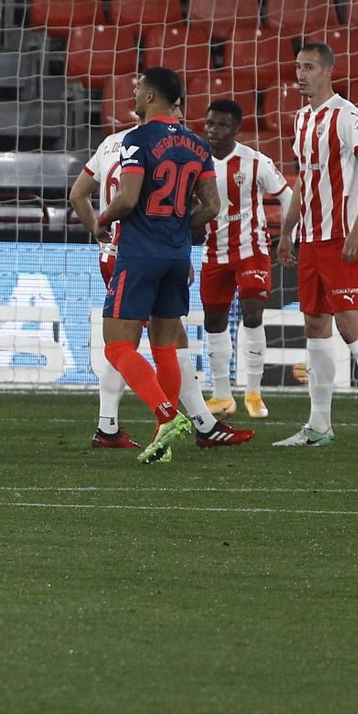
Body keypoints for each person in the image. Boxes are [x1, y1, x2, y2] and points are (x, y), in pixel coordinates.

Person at [97, 68, 254, 464]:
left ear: (151, 97)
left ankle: (165, 414)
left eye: (137, 90)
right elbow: (213, 207)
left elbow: (129, 198)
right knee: (165, 345)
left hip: (139, 254)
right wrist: (176, 226)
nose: (133, 94)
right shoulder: (199, 145)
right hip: (177, 255)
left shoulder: (137, 140)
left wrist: (103, 219)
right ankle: (160, 440)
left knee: (117, 345)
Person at [274, 43, 358, 449]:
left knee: (349, 324)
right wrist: (286, 230)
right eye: (297, 67)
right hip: (311, 239)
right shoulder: (301, 120)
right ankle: (319, 426)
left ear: (328, 71)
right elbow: (303, 182)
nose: (300, 75)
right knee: (315, 324)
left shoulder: (348, 116)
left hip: (341, 237)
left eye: (309, 67)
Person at [199, 99, 292, 421]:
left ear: (237, 129)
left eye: (222, 125)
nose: (213, 130)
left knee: (252, 314)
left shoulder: (255, 162)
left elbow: (288, 195)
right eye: (210, 123)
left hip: (252, 249)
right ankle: (222, 396)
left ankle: (253, 391)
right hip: (213, 253)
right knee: (214, 322)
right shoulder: (196, 162)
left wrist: (289, 235)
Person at [68, 123, 138, 449]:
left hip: (109, 254)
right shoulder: (155, 142)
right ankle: (190, 420)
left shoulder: (110, 142)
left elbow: (77, 193)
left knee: (124, 343)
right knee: (168, 337)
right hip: (140, 253)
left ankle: (107, 426)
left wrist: (96, 227)